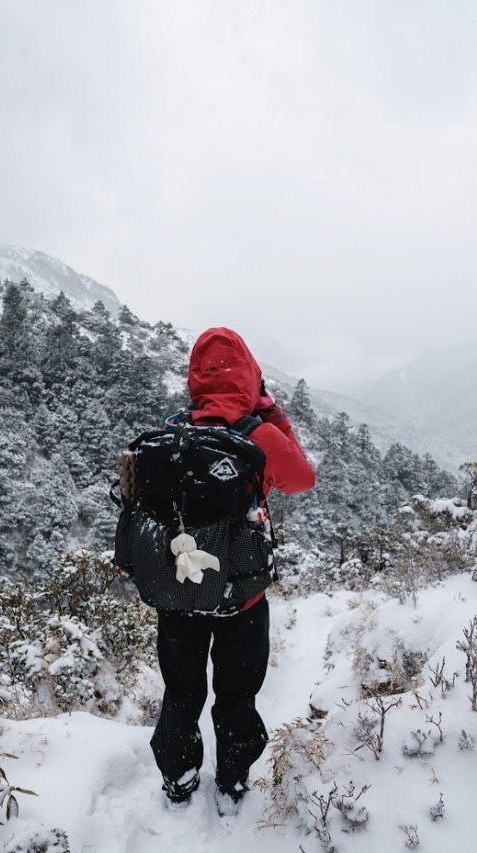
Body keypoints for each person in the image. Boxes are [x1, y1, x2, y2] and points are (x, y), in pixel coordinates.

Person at [150, 327, 316, 811]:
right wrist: (272, 414)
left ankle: (178, 779)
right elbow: (301, 480)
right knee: (237, 694)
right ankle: (233, 780)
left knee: (181, 692)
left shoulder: (173, 431)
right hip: (242, 595)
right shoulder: (257, 434)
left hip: (180, 590)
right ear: (248, 376)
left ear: (196, 376)